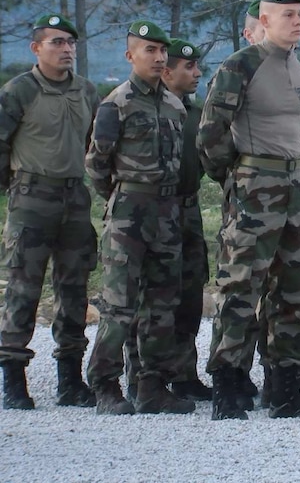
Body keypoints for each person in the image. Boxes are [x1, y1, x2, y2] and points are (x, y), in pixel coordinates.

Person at [199, 0, 300, 420]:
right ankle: (228, 383)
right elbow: (211, 133)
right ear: (264, 21)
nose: (297, 22)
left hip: (295, 186)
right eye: (286, 15)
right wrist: (237, 179)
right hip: (255, 185)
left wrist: (294, 169)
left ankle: (284, 387)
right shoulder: (241, 64)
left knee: (293, 290)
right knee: (240, 287)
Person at [85, 20, 193, 415]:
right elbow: (97, 164)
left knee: (163, 301)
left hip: (167, 210)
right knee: (119, 304)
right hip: (130, 209)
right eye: (149, 50)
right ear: (130, 56)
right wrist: (121, 197)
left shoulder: (174, 104)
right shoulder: (117, 103)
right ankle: (105, 385)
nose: (159, 56)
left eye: (162, 50)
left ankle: (151, 385)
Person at [0, 14, 99, 410]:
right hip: (31, 199)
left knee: (74, 288)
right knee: (23, 288)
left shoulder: (87, 91)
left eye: (70, 43)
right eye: (56, 42)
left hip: (75, 198)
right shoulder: (18, 91)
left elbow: (96, 144)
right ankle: (13, 381)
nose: (66, 49)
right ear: (36, 48)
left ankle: (70, 380)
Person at [123, 38, 213, 402]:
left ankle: (184, 373)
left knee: (189, 293)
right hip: (154, 209)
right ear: (169, 71)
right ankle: (140, 373)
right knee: (152, 294)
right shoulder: (143, 107)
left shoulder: (194, 113)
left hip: (188, 210)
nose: (197, 74)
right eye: (188, 67)